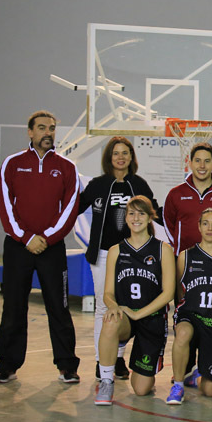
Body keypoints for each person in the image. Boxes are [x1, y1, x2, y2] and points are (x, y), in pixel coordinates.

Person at [0, 110, 81, 384]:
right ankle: (7, 365)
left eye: (52, 128)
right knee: (13, 307)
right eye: (42, 128)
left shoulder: (67, 167)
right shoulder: (12, 163)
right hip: (18, 246)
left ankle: (67, 366)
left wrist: (46, 238)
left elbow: (70, 209)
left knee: (59, 307)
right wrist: (26, 237)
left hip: (51, 248)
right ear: (30, 132)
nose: (48, 133)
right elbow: (5, 206)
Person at [79, 136, 159, 379]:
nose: (121, 157)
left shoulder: (139, 184)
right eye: (116, 153)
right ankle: (101, 360)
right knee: (105, 307)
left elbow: (156, 211)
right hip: (103, 255)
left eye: (125, 153)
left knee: (126, 306)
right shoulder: (97, 185)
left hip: (133, 257)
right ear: (109, 157)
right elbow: (74, 208)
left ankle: (119, 358)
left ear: (131, 157)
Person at [94, 196, 175, 405]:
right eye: (131, 213)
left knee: (141, 390)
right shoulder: (116, 251)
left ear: (150, 217)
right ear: (126, 217)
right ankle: (106, 381)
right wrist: (114, 307)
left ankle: (143, 370)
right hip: (126, 318)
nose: (136, 218)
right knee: (110, 320)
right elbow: (108, 293)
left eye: (141, 213)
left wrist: (139, 313)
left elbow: (168, 294)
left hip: (152, 319)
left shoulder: (163, 250)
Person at [166, 208, 212, 404]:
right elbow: (179, 292)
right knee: (183, 332)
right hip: (191, 317)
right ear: (199, 226)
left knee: (209, 391)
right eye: (205, 223)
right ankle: (178, 386)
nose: (210, 228)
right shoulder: (186, 256)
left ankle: (196, 375)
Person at [163, 142, 212, 257]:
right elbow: (169, 225)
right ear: (190, 163)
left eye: (207, 161)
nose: (202, 166)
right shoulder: (175, 194)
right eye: (197, 160)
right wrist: (180, 249)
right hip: (184, 259)